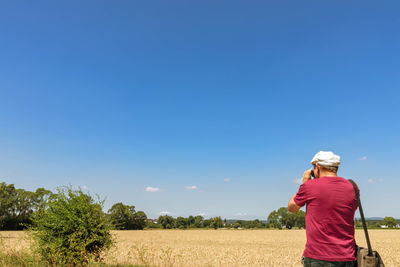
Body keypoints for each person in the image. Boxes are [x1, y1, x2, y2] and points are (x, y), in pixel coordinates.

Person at [288, 151, 358, 267]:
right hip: (347, 256)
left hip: (318, 257)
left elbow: (292, 208)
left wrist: (305, 183)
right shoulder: (352, 187)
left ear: (317, 167)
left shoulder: (310, 186)